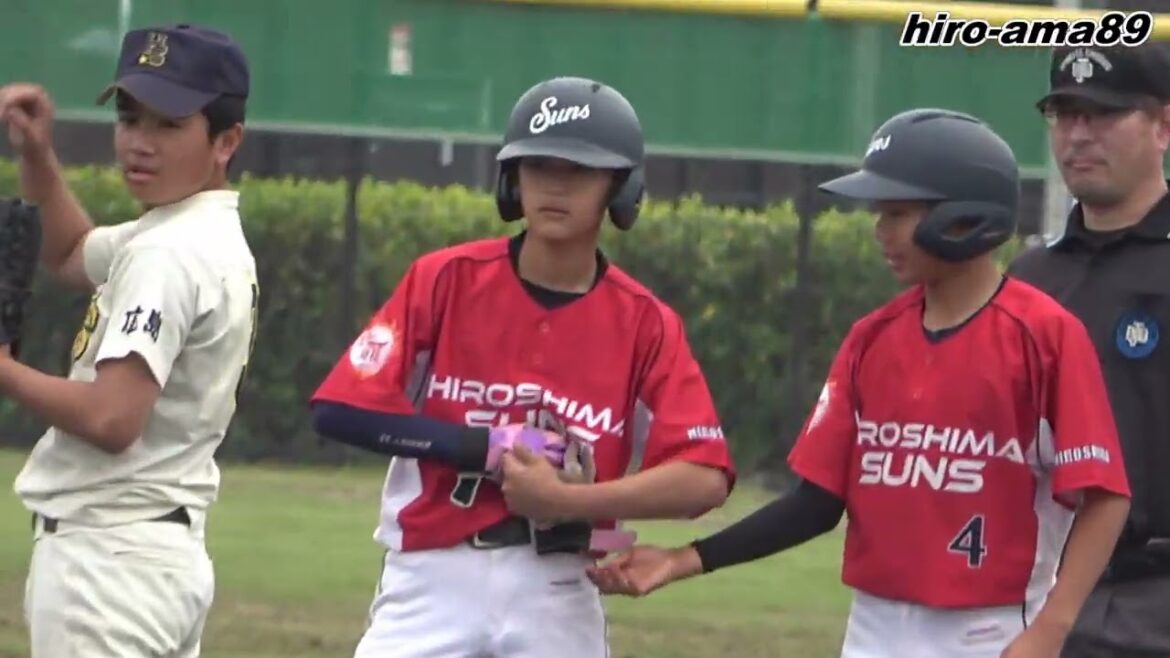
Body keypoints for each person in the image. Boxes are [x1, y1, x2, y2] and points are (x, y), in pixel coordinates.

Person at [587, 108, 1133, 658]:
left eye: (897, 212)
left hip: (990, 629)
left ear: (966, 217)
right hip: (874, 625)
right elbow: (818, 502)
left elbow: (1105, 497)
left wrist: (1051, 628)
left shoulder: (1043, 336)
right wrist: (683, 559)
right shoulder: (872, 339)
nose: (880, 230)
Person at [309, 75, 736, 658]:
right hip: (433, 573)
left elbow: (704, 478)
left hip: (559, 585)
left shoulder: (645, 321)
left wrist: (571, 504)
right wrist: (481, 446)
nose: (555, 186)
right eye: (538, 166)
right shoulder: (446, 279)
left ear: (621, 186)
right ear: (511, 179)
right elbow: (338, 410)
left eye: (580, 170)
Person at [0, 24, 258, 658]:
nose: (139, 144)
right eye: (129, 117)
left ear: (226, 140)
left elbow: (112, 418)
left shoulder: (168, 253)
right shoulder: (198, 230)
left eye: (168, 126)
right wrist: (37, 153)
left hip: (106, 570)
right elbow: (67, 254)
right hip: (158, 560)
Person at [1009, 43, 1170, 658]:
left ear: (1163, 125)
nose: (1080, 134)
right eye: (1065, 114)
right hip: (1038, 588)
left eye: (1103, 115)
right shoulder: (1029, 278)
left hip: (1153, 596)